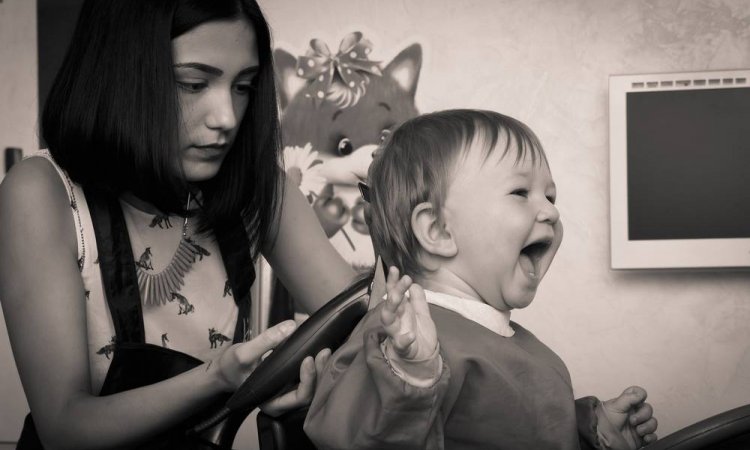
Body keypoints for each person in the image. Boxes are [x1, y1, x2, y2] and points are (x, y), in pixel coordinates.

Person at [0, 1, 355, 448]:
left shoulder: (260, 191)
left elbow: (362, 326)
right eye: (193, 83)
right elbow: (65, 427)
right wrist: (219, 377)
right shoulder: (43, 193)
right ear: (120, 75)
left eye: (243, 86)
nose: (225, 117)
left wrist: (316, 381)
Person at [304, 109, 659, 449]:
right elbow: (352, 438)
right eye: (521, 193)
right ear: (438, 230)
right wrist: (410, 376)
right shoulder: (398, 341)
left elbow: (515, 431)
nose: (551, 211)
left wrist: (589, 430)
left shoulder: (514, 341)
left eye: (550, 196)